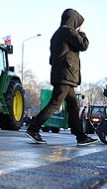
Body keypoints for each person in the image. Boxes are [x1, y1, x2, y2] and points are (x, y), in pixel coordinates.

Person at [25, 9, 98, 146]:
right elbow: (83, 45)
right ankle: (33, 128)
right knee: (55, 104)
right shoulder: (68, 32)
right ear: (73, 20)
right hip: (66, 74)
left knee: (73, 106)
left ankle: (80, 136)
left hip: (62, 74)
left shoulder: (57, 34)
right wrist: (82, 33)